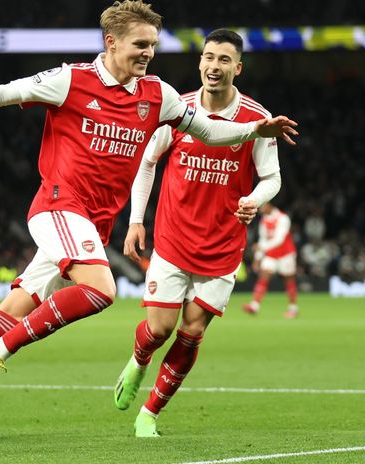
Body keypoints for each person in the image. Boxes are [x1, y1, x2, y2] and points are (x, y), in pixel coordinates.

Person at [0, 1, 298, 456]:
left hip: (89, 223)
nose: (149, 53)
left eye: (153, 45)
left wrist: (256, 131)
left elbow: (210, 131)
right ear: (111, 42)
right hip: (57, 207)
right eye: (140, 44)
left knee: (3, 316)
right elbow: (4, 92)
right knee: (100, 289)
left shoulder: (159, 95)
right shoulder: (71, 79)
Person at [111, 29, 282, 437]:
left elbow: (272, 177)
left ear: (237, 68)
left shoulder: (257, 119)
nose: (214, 66)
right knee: (159, 329)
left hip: (222, 246)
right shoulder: (178, 110)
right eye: (208, 57)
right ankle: (138, 361)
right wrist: (137, 220)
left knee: (192, 332)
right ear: (199, 62)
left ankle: (149, 414)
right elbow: (147, 163)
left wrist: (254, 199)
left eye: (224, 60)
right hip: (173, 239)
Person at [243, 203, 299, 318]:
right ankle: (254, 305)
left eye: (262, 206)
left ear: (269, 205)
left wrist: (261, 247)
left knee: (288, 280)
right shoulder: (264, 220)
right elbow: (263, 239)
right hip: (271, 255)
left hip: (286, 254)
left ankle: (293, 308)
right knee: (264, 276)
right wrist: (258, 258)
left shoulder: (283, 218)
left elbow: (279, 239)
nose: (260, 209)